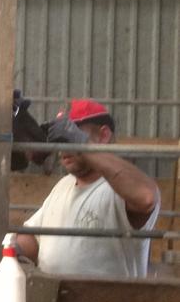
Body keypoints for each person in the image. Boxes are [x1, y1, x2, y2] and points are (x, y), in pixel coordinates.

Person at [13, 99, 160, 278]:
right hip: (55, 299)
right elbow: (35, 239)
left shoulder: (119, 189)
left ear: (103, 136)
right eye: (61, 137)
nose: (64, 146)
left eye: (71, 135)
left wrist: (82, 145)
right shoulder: (64, 185)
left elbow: (146, 197)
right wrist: (13, 249)